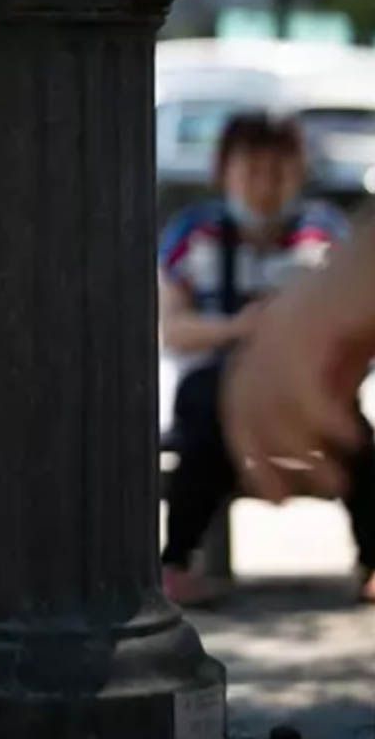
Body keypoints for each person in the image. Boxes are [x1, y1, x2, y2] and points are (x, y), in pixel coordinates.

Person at [157, 112, 375, 606]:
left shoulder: (324, 237)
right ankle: (176, 563)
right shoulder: (193, 234)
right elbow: (174, 328)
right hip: (213, 384)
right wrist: (243, 329)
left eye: (278, 171)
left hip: (309, 390)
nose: (265, 186)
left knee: (359, 442)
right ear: (224, 172)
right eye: (252, 171)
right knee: (203, 432)